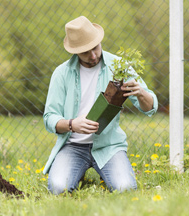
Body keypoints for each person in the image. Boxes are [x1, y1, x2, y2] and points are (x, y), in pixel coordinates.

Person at [43, 16, 158, 195]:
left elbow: (149, 107)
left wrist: (141, 93)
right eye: (85, 52)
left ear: (99, 41)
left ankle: (106, 171)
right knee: (58, 188)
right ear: (75, 51)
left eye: (95, 48)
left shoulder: (119, 67)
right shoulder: (61, 73)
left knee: (125, 189)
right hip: (73, 146)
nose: (93, 56)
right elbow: (49, 117)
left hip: (108, 145)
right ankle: (78, 171)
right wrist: (72, 124)